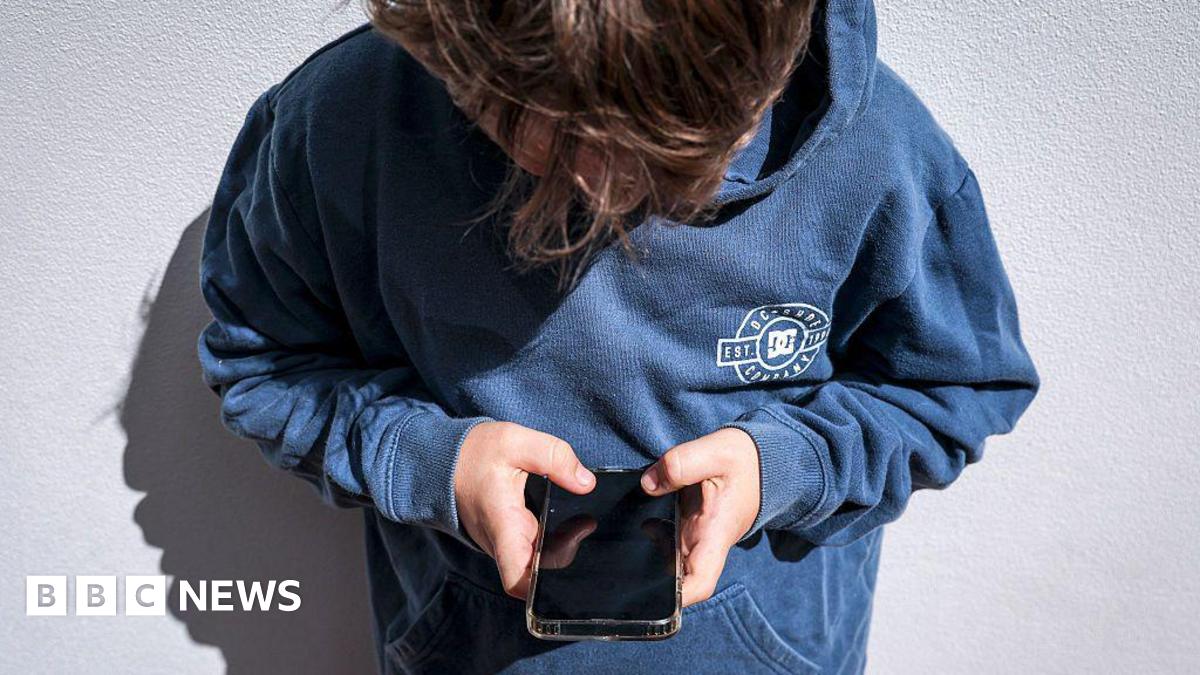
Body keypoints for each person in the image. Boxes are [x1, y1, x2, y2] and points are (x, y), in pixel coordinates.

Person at [197, 0, 1039, 672]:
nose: (604, 192)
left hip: (777, 648)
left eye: (671, 166)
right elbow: (263, 361)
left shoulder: (880, 157)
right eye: (549, 144)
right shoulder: (341, 126)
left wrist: (780, 466)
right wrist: (430, 462)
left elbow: (952, 390)